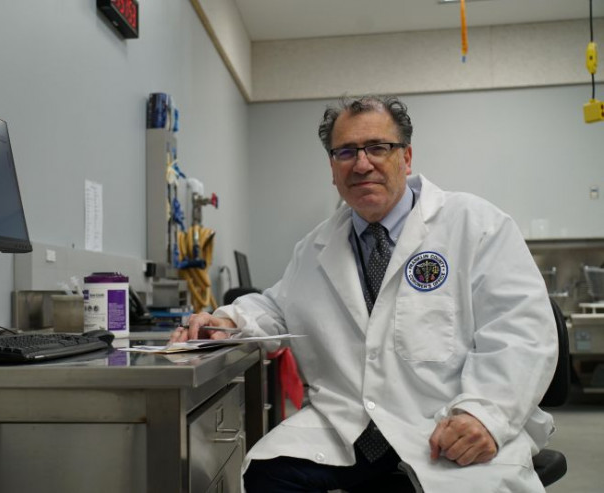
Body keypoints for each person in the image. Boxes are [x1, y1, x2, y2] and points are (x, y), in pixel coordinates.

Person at [170, 95, 557, 492]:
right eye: (346, 152)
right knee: (266, 475)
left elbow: (521, 331)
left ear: (406, 157)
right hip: (348, 425)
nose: (361, 164)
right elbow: (277, 307)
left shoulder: (476, 225)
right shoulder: (315, 248)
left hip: (446, 423)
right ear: (332, 168)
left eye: (377, 147)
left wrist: (485, 414)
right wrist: (228, 319)